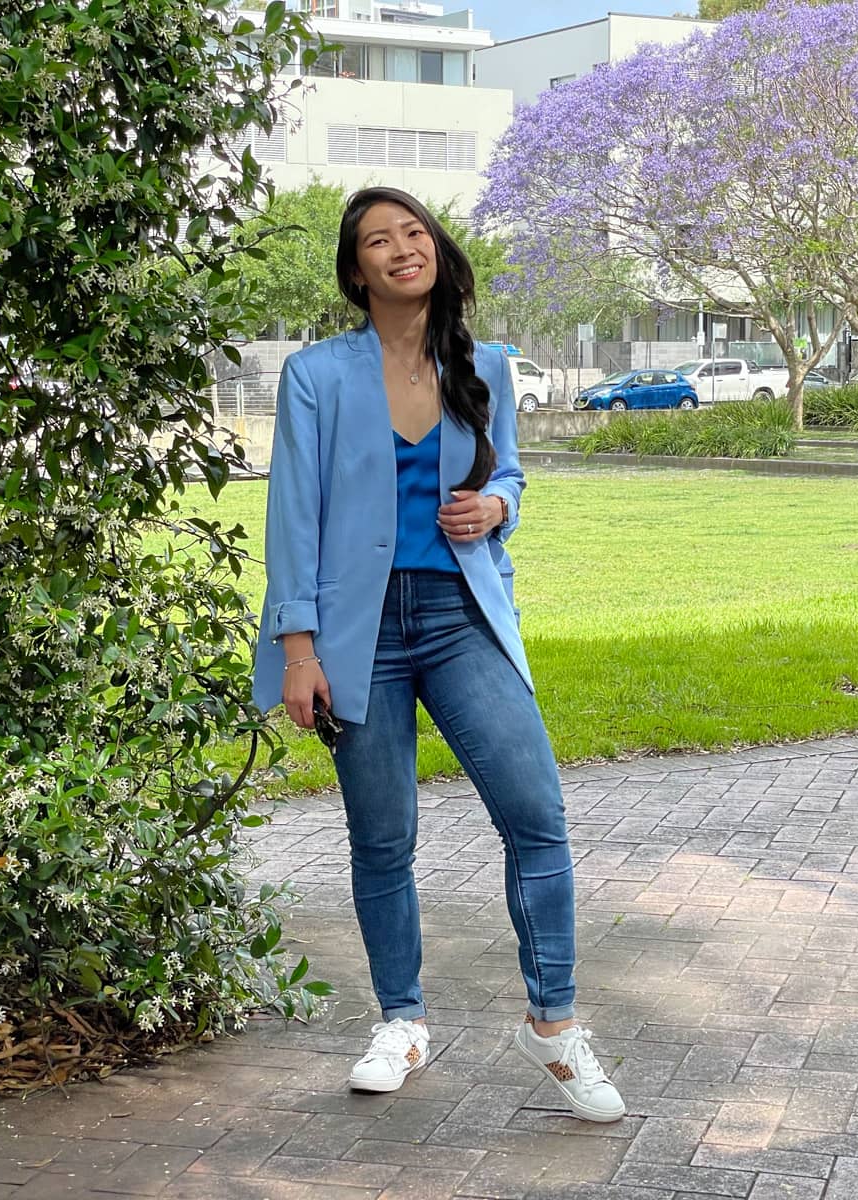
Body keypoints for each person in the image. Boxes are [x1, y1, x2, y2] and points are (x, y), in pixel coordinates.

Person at [252, 186, 625, 1123]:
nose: (399, 248)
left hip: (462, 618)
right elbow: (292, 517)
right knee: (383, 840)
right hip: (355, 632)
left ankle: (553, 1026)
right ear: (356, 270)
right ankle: (402, 1021)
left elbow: (508, 473)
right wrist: (299, 651)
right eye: (377, 240)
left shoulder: (485, 363)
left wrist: (499, 506)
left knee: (536, 815)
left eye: (412, 232)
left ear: (435, 250)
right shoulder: (317, 375)